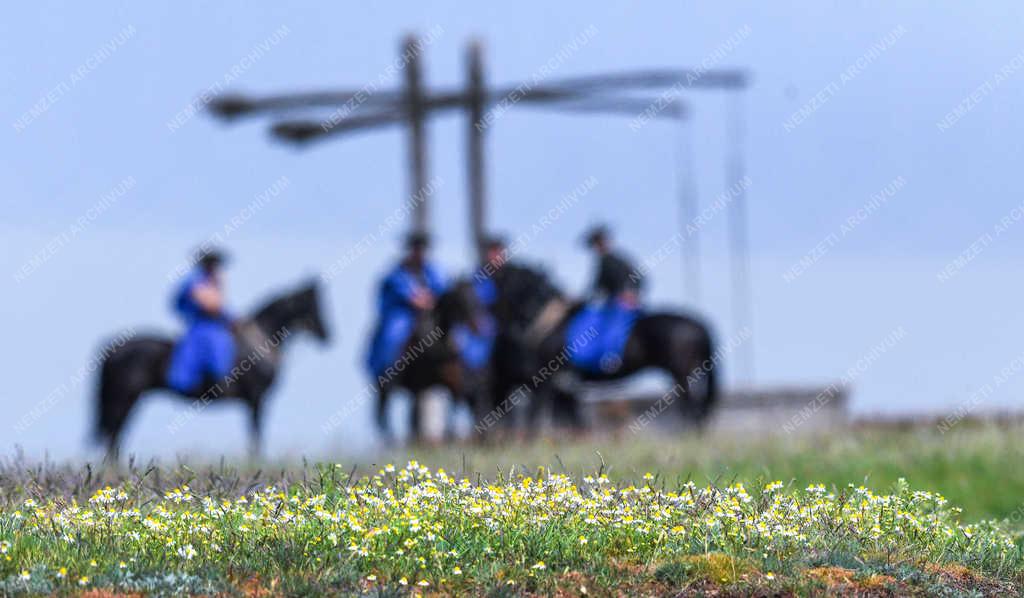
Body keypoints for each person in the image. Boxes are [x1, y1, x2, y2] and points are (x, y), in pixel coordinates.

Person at [366, 231, 447, 377]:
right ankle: (386, 369)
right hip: (403, 315)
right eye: (416, 249)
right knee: (392, 337)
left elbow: (441, 291)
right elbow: (412, 299)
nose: (419, 253)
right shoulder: (397, 273)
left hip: (430, 316)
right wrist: (426, 302)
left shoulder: (431, 271)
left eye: (422, 249)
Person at [568, 225, 643, 373]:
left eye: (598, 242)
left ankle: (611, 358)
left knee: (612, 327)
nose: (597, 246)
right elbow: (597, 288)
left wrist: (630, 292)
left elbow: (638, 278)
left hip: (620, 304)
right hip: (613, 303)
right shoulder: (608, 260)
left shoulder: (612, 260)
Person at [166, 248, 236, 394]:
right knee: (215, 346)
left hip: (215, 325)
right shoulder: (196, 280)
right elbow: (211, 305)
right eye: (211, 263)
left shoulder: (213, 281)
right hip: (203, 328)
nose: (214, 267)